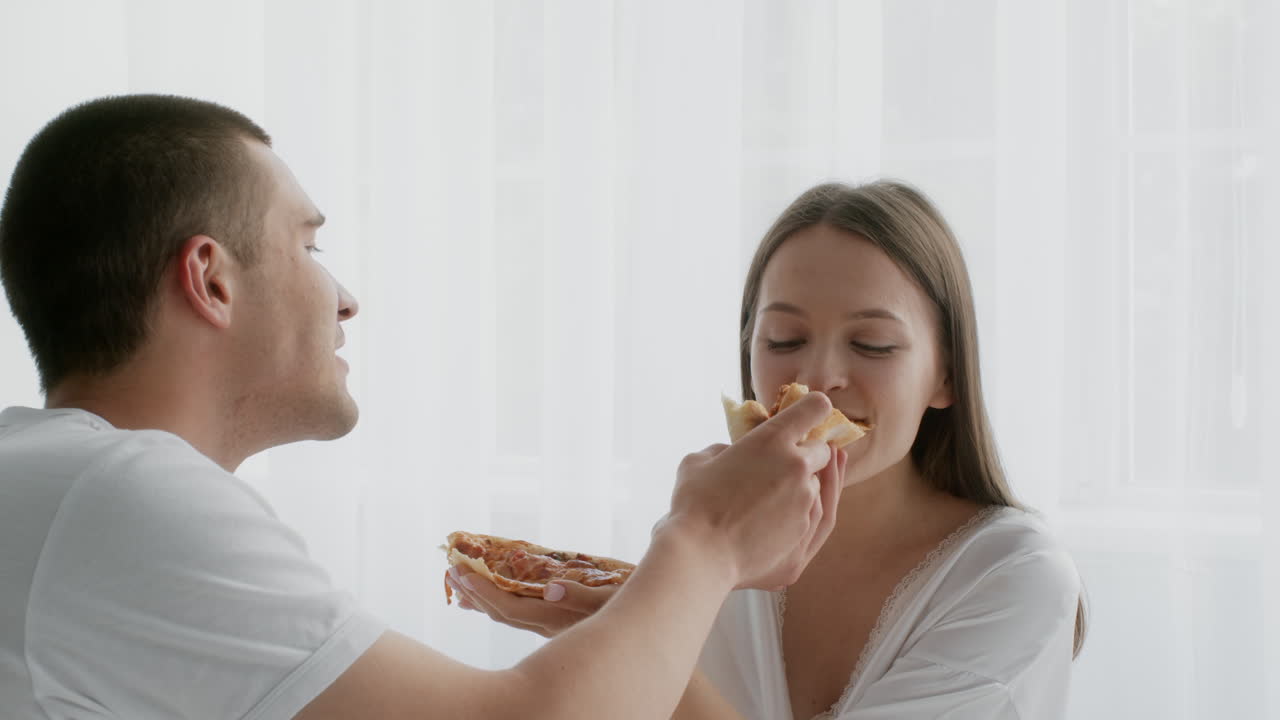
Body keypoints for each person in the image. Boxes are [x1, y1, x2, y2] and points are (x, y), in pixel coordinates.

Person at [0, 94, 851, 720]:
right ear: (212, 280)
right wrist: (704, 537)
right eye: (310, 243)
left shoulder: (57, 487)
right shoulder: (118, 497)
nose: (345, 298)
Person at [449, 180, 1087, 719]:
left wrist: (648, 650)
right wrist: (620, 635)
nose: (817, 380)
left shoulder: (1015, 579)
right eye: (783, 340)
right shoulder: (714, 533)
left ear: (946, 374)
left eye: (872, 346)